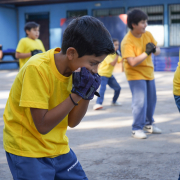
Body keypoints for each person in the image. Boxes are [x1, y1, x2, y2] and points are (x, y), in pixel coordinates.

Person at [3, 16, 115, 180]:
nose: (95, 70)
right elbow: (42, 125)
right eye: (93, 63)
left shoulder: (78, 72)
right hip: (27, 149)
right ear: (71, 53)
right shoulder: (38, 68)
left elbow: (72, 122)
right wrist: (77, 94)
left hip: (58, 147)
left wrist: (86, 94)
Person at [121, 9, 162, 139]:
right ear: (134, 24)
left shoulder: (147, 34)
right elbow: (132, 62)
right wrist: (147, 52)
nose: (145, 25)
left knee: (151, 100)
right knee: (140, 101)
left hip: (148, 72)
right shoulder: (127, 41)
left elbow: (157, 51)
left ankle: (148, 124)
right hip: (135, 73)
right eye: (143, 22)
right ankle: (136, 128)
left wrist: (154, 50)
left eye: (146, 22)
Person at [93, 38, 122, 110]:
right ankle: (98, 103)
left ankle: (114, 101)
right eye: (115, 45)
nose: (117, 46)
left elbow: (121, 61)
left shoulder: (115, 54)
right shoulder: (107, 54)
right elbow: (112, 63)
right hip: (103, 74)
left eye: (118, 45)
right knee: (102, 89)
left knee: (118, 88)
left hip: (109, 75)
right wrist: (117, 56)